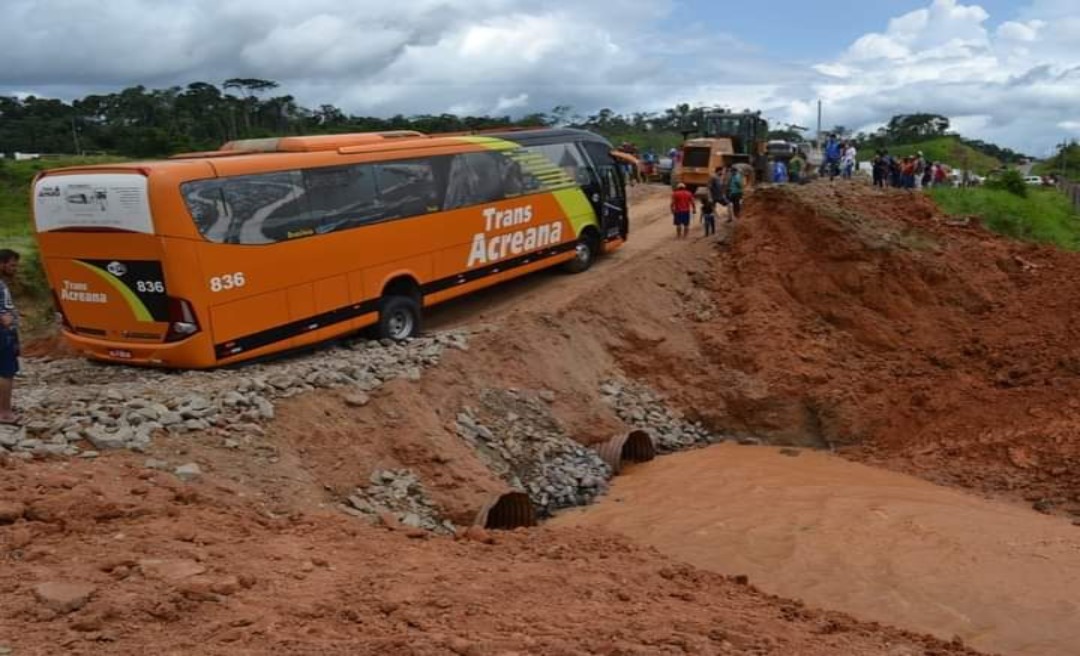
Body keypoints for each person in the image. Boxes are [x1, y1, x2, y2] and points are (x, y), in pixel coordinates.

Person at [0, 249, 21, 425]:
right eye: (12, 265)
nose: (15, 269)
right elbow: (4, 316)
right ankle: (5, 413)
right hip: (3, 333)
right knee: (6, 372)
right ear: (2, 264)